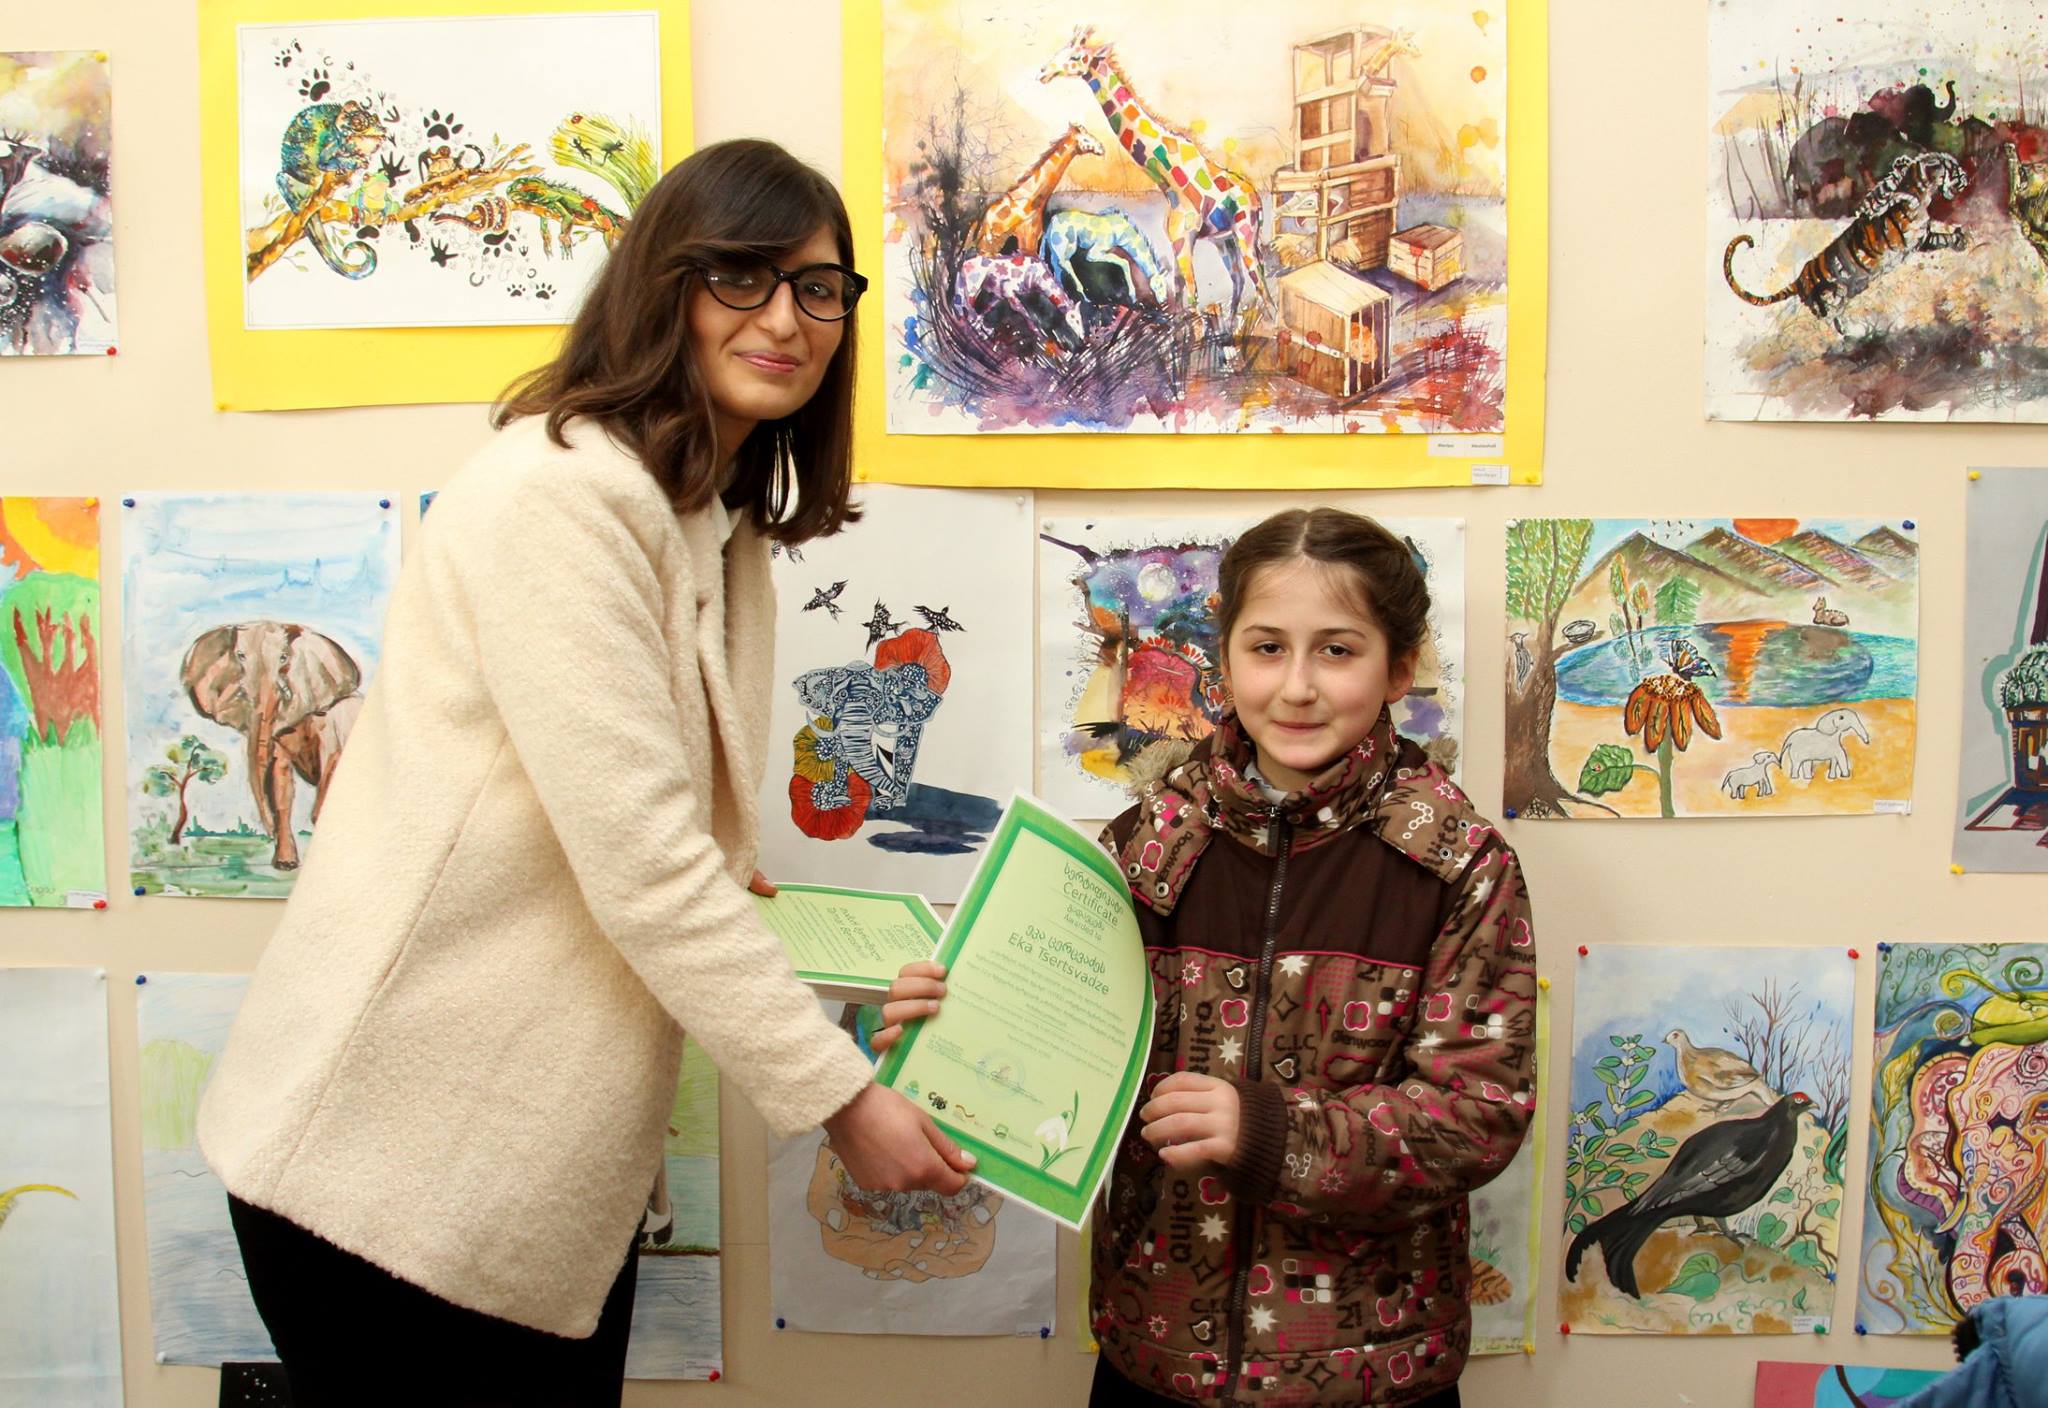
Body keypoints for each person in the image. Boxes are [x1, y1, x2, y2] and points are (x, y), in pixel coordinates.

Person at [196, 139, 974, 1406]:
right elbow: (646, 864)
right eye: (741, 277)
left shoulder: (711, 521)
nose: (786, 319)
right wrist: (840, 1099)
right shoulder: (556, 496)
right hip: (386, 1163)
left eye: (819, 287)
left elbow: (671, 847)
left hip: (517, 1172)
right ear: (663, 285)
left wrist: (832, 966)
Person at [879, 508, 1536, 1406]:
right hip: (1154, 1353)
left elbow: (1476, 1117)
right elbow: (1076, 1054)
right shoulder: (1147, 840)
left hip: (1372, 1372)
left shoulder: (1459, 864)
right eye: (1267, 648)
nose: (1297, 687)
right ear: (1224, 660)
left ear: (1398, 668)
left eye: (1337, 650)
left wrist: (1268, 1134)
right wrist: (953, 1032)